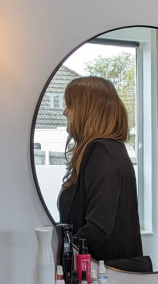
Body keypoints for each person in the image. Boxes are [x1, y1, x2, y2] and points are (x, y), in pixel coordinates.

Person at [57, 76, 151, 272]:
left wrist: (62, 252)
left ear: (86, 110)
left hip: (103, 278)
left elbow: (98, 228)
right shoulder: (110, 150)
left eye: (70, 106)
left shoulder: (101, 153)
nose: (65, 112)